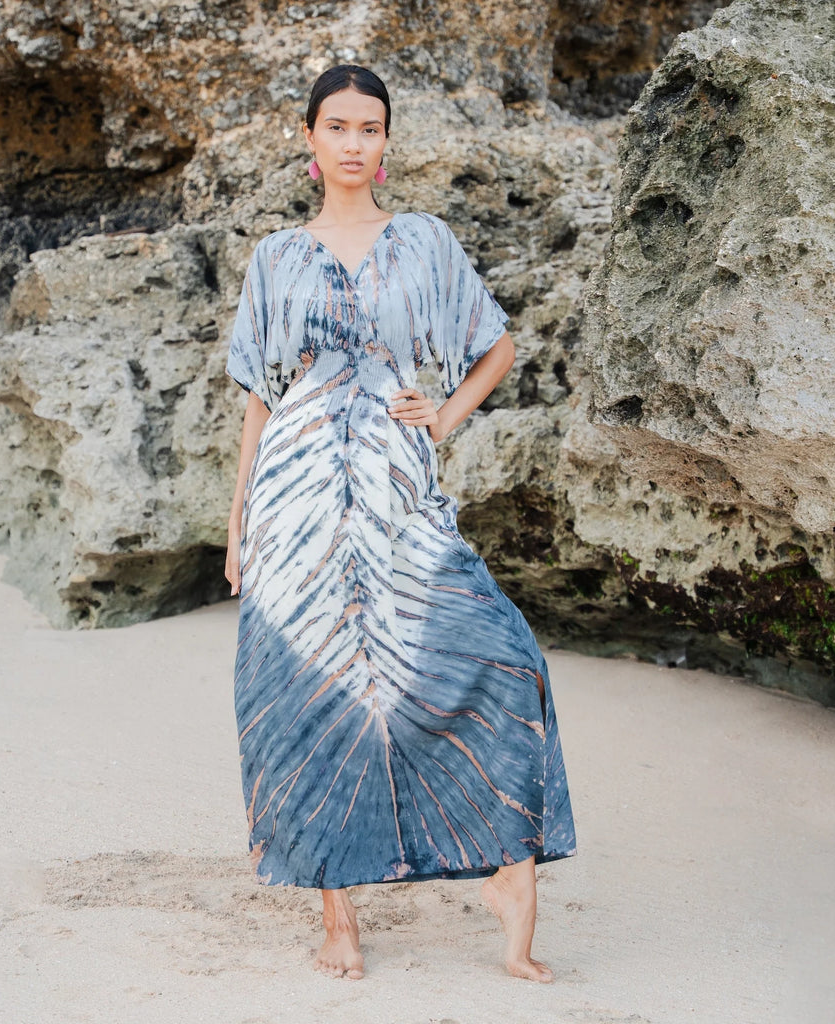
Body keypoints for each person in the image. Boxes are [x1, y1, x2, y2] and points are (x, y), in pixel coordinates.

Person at [224, 64, 575, 984]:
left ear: (386, 141)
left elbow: (496, 345)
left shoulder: (424, 241)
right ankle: (338, 917)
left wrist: (443, 418)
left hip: (396, 482)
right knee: (313, 687)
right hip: (295, 491)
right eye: (337, 126)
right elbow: (260, 397)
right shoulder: (275, 256)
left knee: (501, 652)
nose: (353, 142)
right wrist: (237, 522)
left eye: (370, 127)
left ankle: (505, 868)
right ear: (309, 138)